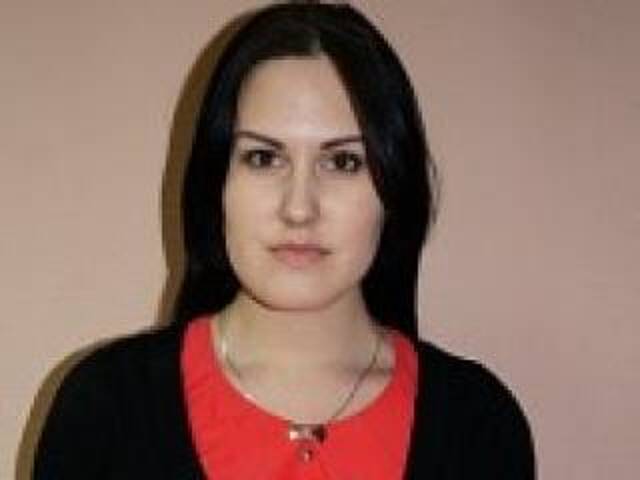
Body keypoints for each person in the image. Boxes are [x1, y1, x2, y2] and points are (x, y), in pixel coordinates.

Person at [33, 1, 535, 479]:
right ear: (216, 182)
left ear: (394, 188)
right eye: (263, 158)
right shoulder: (104, 410)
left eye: (343, 162)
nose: (299, 208)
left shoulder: (477, 423)